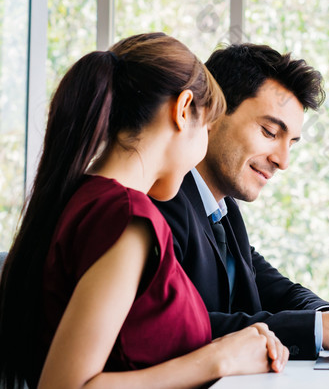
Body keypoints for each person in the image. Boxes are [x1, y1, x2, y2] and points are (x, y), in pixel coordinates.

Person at [0, 33, 288, 389]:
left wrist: (230, 346)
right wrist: (219, 359)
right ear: (183, 111)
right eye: (207, 128)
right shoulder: (126, 217)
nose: (204, 148)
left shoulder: (89, 200)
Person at [154, 43, 329, 359]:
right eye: (270, 132)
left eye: (291, 143)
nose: (283, 161)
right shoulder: (164, 200)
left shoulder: (223, 212)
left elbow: (279, 291)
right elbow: (178, 327)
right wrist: (325, 329)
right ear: (211, 114)